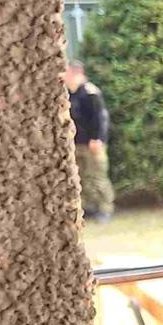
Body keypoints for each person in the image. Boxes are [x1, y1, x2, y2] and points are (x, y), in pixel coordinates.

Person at [66, 60, 113, 222]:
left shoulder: (90, 93)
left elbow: (101, 118)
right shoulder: (70, 94)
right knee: (83, 176)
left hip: (92, 143)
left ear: (76, 73)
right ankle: (90, 206)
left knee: (97, 176)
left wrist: (98, 138)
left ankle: (105, 208)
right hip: (77, 142)